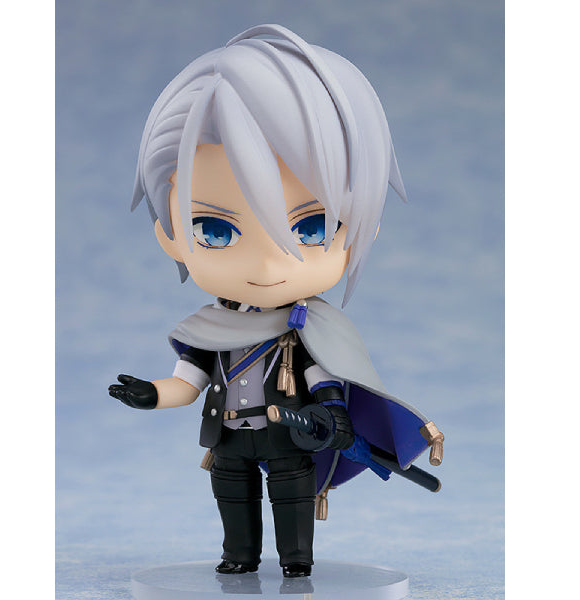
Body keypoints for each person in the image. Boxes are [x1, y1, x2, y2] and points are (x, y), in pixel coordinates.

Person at [109, 24, 439, 578]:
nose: (267, 266)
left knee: (291, 502)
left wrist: (332, 417)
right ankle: (238, 556)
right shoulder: (209, 328)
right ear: (171, 235)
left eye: (310, 228)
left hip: (289, 436)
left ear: (362, 228)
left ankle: (296, 561)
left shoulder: (305, 326)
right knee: (232, 499)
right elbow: (187, 384)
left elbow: (326, 379)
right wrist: (151, 394)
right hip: (228, 436)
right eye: (215, 231)